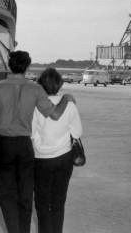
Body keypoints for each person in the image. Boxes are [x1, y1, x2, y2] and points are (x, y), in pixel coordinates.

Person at [0, 51, 75, 233]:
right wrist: (65, 98)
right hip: (25, 146)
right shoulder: (35, 89)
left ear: (10, 66)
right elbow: (55, 114)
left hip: (5, 145)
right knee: (25, 194)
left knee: (6, 195)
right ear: (27, 67)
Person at [31, 68, 82, 233]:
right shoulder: (70, 105)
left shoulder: (36, 105)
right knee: (58, 203)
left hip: (40, 160)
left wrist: (40, 145)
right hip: (63, 158)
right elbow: (77, 132)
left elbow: (31, 134)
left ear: (41, 85)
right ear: (60, 84)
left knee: (42, 203)